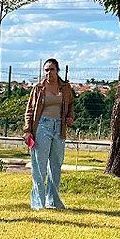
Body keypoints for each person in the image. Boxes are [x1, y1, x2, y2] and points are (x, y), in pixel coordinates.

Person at [23, 58, 74, 210]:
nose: (48, 73)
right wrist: (27, 131)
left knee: (56, 164)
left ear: (57, 71)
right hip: (42, 127)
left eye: (51, 69)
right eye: (46, 70)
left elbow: (70, 105)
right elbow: (29, 111)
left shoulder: (65, 88)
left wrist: (70, 117)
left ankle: (53, 201)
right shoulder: (38, 88)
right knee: (40, 166)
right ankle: (38, 203)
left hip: (59, 127)